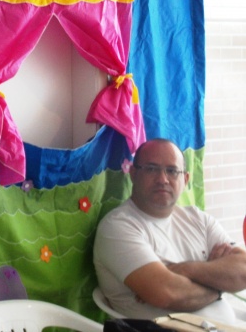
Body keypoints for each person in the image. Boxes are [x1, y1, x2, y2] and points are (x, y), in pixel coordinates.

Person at [94, 138, 246, 324]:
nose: (162, 179)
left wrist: (184, 269)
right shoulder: (117, 227)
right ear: (133, 174)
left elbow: (243, 270)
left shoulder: (199, 220)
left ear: (185, 179)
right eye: (151, 169)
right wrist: (221, 285)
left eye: (172, 171)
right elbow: (167, 294)